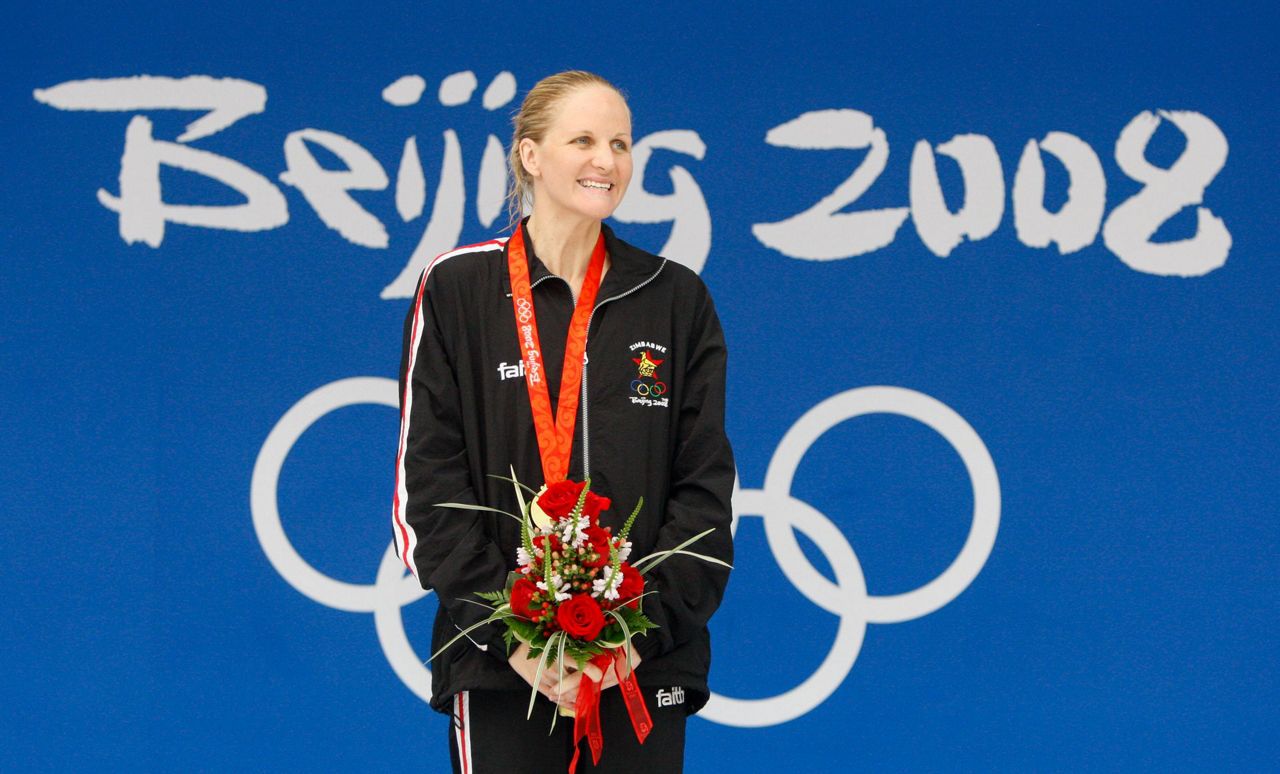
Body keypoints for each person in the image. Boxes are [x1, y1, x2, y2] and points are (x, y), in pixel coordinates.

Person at [392, 70, 734, 773]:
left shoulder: (674, 298)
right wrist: (514, 637)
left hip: (640, 669)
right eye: (582, 140)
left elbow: (704, 493)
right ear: (531, 155)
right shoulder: (459, 287)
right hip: (500, 670)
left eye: (621, 144)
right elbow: (426, 486)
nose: (606, 160)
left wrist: (635, 637)